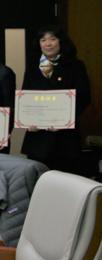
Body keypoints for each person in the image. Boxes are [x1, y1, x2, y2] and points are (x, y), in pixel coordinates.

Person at [20, 25, 92, 173]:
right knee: (37, 179)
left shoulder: (75, 66)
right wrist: (27, 120)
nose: (48, 43)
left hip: (65, 138)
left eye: (52, 39)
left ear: (61, 41)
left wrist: (64, 120)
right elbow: (25, 96)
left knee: (64, 179)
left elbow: (84, 97)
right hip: (37, 137)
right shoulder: (33, 66)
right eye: (43, 40)